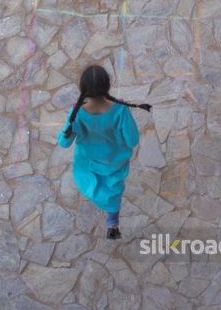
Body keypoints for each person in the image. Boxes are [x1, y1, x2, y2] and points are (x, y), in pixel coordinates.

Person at [57, 65, 152, 239]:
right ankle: (112, 224)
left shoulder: (77, 112)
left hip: (88, 163)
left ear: (83, 88)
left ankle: (100, 201)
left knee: (93, 187)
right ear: (107, 86)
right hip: (115, 162)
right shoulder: (120, 109)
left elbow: (64, 142)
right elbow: (132, 140)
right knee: (114, 191)